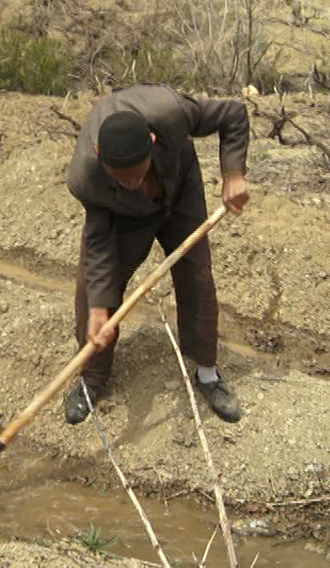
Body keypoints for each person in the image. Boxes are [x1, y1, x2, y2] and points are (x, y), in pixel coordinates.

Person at [64, 84, 250, 425]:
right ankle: (91, 379)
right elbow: (100, 245)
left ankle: (207, 373)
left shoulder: (170, 112)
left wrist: (233, 173)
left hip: (179, 190)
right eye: (122, 178)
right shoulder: (86, 176)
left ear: (152, 141)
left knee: (196, 276)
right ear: (99, 153)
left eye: (137, 174)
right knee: (91, 293)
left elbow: (233, 113)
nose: (133, 183)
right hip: (122, 213)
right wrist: (99, 309)